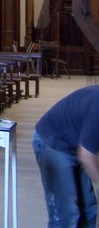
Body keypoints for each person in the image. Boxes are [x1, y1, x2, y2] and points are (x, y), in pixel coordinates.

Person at [33, 85, 99, 227]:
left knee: (88, 209)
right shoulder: (97, 108)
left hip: (76, 142)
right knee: (67, 214)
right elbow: (86, 156)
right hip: (52, 142)